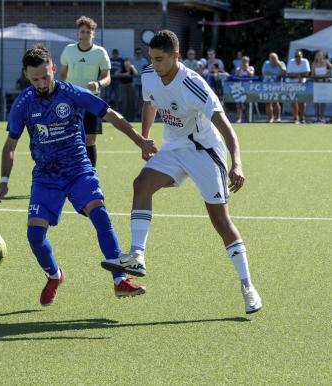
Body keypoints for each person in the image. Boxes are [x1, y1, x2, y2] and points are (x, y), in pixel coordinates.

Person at [100, 30, 262, 315]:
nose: (154, 64)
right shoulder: (150, 74)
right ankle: (137, 255)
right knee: (141, 184)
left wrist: (236, 163)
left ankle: (247, 286)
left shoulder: (194, 84)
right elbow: (149, 103)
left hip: (205, 152)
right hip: (174, 148)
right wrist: (145, 139)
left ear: (176, 56)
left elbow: (225, 126)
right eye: (151, 58)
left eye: (160, 59)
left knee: (221, 221)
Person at [0, 44, 157, 306]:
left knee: (100, 215)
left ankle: (120, 281)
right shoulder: (23, 103)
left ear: (54, 69)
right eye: (35, 79)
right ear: (27, 76)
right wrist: (3, 182)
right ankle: (54, 275)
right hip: (46, 176)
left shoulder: (72, 93)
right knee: (35, 237)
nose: (42, 83)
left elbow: (110, 115)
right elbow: (10, 145)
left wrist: (140, 141)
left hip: (78, 168)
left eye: (46, 76)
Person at [60, 16, 111, 167]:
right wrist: (60, 92)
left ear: (92, 34)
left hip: (91, 101)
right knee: (69, 138)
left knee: (90, 139)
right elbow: (63, 74)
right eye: (82, 32)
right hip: (71, 101)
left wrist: (98, 84)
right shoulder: (68, 50)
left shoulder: (100, 52)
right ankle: (69, 174)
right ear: (78, 33)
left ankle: (90, 176)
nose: (85, 35)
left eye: (88, 32)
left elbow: (107, 77)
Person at [287, 50, 311, 124]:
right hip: (291, 84)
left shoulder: (305, 61)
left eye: (299, 56)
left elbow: (307, 73)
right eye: (296, 56)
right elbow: (289, 74)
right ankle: (295, 117)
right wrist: (299, 76)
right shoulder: (291, 61)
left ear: (302, 56)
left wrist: (296, 75)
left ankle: (302, 117)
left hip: (302, 84)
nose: (297, 58)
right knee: (293, 101)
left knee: (302, 101)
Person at [261, 52, 286, 123]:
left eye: (274, 58)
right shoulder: (266, 63)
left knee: (276, 101)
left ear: (277, 58)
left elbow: (284, 73)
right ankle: (270, 117)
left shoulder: (281, 64)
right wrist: (275, 75)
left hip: (277, 85)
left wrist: (279, 66)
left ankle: (278, 117)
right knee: (268, 102)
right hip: (267, 85)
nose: (273, 60)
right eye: (271, 58)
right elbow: (264, 72)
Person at [311, 50, 332, 123]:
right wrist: (316, 78)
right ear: (316, 56)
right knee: (316, 101)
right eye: (318, 55)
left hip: (324, 83)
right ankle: (316, 117)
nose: (319, 56)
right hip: (316, 84)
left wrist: (327, 74)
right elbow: (312, 75)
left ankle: (322, 117)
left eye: (320, 55)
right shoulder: (313, 64)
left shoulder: (326, 62)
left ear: (323, 56)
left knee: (323, 101)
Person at [234, 56, 254, 123]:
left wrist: (247, 69)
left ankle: (248, 118)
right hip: (240, 88)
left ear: (248, 62)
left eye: (246, 61)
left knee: (248, 104)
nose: (244, 63)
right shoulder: (238, 68)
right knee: (239, 104)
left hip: (249, 89)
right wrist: (241, 68)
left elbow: (251, 75)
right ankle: (239, 118)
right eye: (243, 61)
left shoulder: (251, 68)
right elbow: (237, 75)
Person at [132, 47, 149, 119]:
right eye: (137, 53)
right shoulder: (132, 60)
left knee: (142, 98)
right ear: (135, 53)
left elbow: (147, 70)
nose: (138, 54)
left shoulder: (144, 60)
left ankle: (140, 113)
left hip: (143, 83)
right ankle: (135, 112)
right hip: (135, 82)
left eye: (140, 53)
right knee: (136, 97)